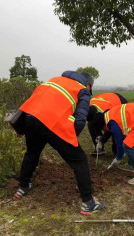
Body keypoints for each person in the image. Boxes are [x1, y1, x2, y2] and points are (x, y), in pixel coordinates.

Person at [15, 70, 104, 215]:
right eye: (90, 88)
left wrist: (21, 127)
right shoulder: (82, 90)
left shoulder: (54, 80)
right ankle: (88, 203)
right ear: (88, 84)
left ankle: (23, 187)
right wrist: (70, 140)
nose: (89, 91)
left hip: (31, 119)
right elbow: (81, 120)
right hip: (53, 123)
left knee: (32, 153)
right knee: (79, 160)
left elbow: (31, 102)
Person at [91, 102, 134, 185]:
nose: (104, 131)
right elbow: (109, 130)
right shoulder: (108, 116)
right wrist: (101, 141)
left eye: (103, 129)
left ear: (102, 126)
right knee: (131, 141)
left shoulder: (113, 123)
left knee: (128, 145)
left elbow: (120, 143)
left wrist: (118, 158)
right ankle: (131, 165)